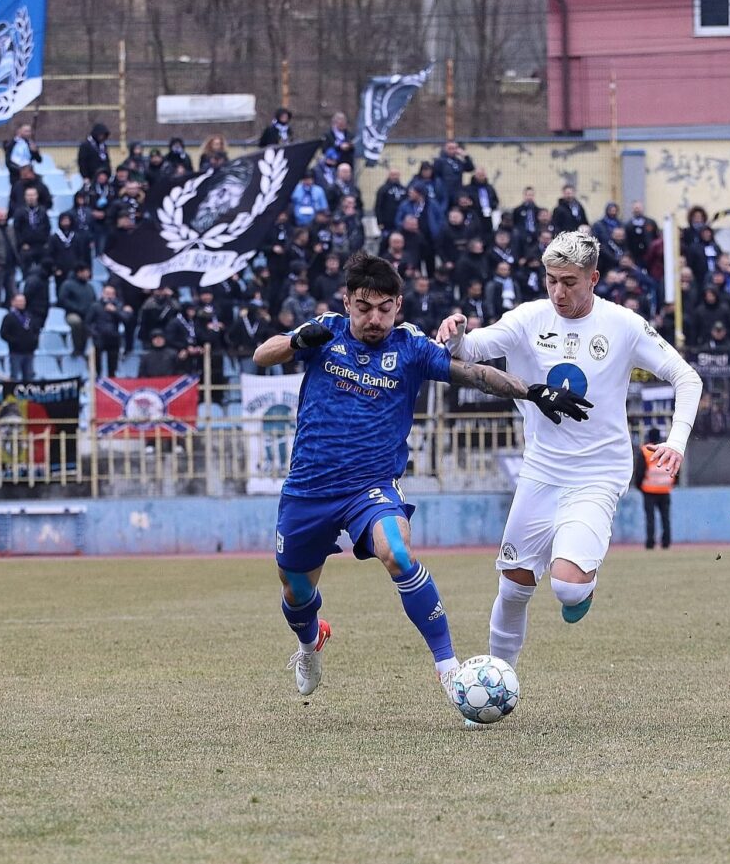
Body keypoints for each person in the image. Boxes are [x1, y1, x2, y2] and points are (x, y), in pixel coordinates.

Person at [251, 252, 591, 703]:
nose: (375, 319)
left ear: (398, 305)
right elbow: (261, 355)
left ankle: (450, 670)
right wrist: (296, 342)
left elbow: (474, 374)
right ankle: (311, 641)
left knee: (397, 552)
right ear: (347, 302)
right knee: (296, 591)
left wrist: (532, 391)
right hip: (308, 489)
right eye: (364, 308)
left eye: (384, 309)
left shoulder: (409, 347)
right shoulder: (326, 331)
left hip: (370, 487)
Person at [436, 230, 701, 670]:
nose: (558, 292)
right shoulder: (529, 318)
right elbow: (472, 349)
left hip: (598, 473)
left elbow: (686, 377)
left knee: (567, 588)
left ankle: (583, 586)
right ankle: (500, 680)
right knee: (513, 586)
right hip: (541, 471)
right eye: (551, 280)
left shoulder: (623, 325)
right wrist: (456, 332)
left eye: (569, 282)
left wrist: (676, 441)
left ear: (593, 278)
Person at [634, 427, 675, 550]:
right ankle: (666, 542)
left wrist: (639, 486)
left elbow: (639, 471)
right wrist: (672, 483)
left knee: (650, 519)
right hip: (665, 489)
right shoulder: (668, 450)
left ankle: (650, 543)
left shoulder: (645, 451)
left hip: (649, 489)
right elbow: (676, 467)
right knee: (665, 518)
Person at [0, 293, 39, 382]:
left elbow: (35, 330)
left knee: (29, 377)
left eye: (23, 301)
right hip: (16, 352)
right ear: (13, 302)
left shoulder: (29, 316)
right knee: (15, 377)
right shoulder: (9, 317)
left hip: (29, 352)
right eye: (19, 301)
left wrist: (34, 342)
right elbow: (3, 334)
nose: (21, 303)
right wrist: (14, 341)